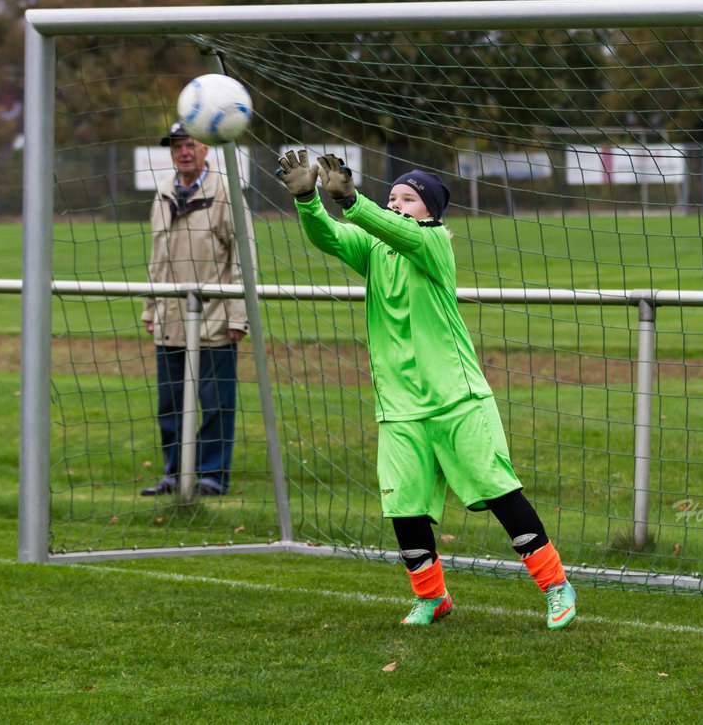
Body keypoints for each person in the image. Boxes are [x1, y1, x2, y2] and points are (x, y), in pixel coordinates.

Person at [274, 148, 577, 630]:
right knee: (404, 505)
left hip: (458, 399)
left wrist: (353, 201)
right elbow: (328, 236)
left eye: (408, 199)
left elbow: (392, 229)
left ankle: (556, 585)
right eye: (392, 196)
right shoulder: (374, 248)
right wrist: (308, 199)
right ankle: (431, 597)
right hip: (400, 406)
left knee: (500, 492)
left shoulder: (435, 243)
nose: (396, 205)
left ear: (430, 211)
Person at [139, 122, 250, 497]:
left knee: (215, 403)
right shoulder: (163, 192)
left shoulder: (226, 192)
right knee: (170, 403)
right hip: (170, 316)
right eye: (176, 147)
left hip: (215, 316)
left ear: (205, 148)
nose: (183, 152)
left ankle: (211, 476)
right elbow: (157, 256)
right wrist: (150, 308)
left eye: (189, 145)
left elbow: (242, 261)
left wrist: (238, 316)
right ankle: (174, 473)